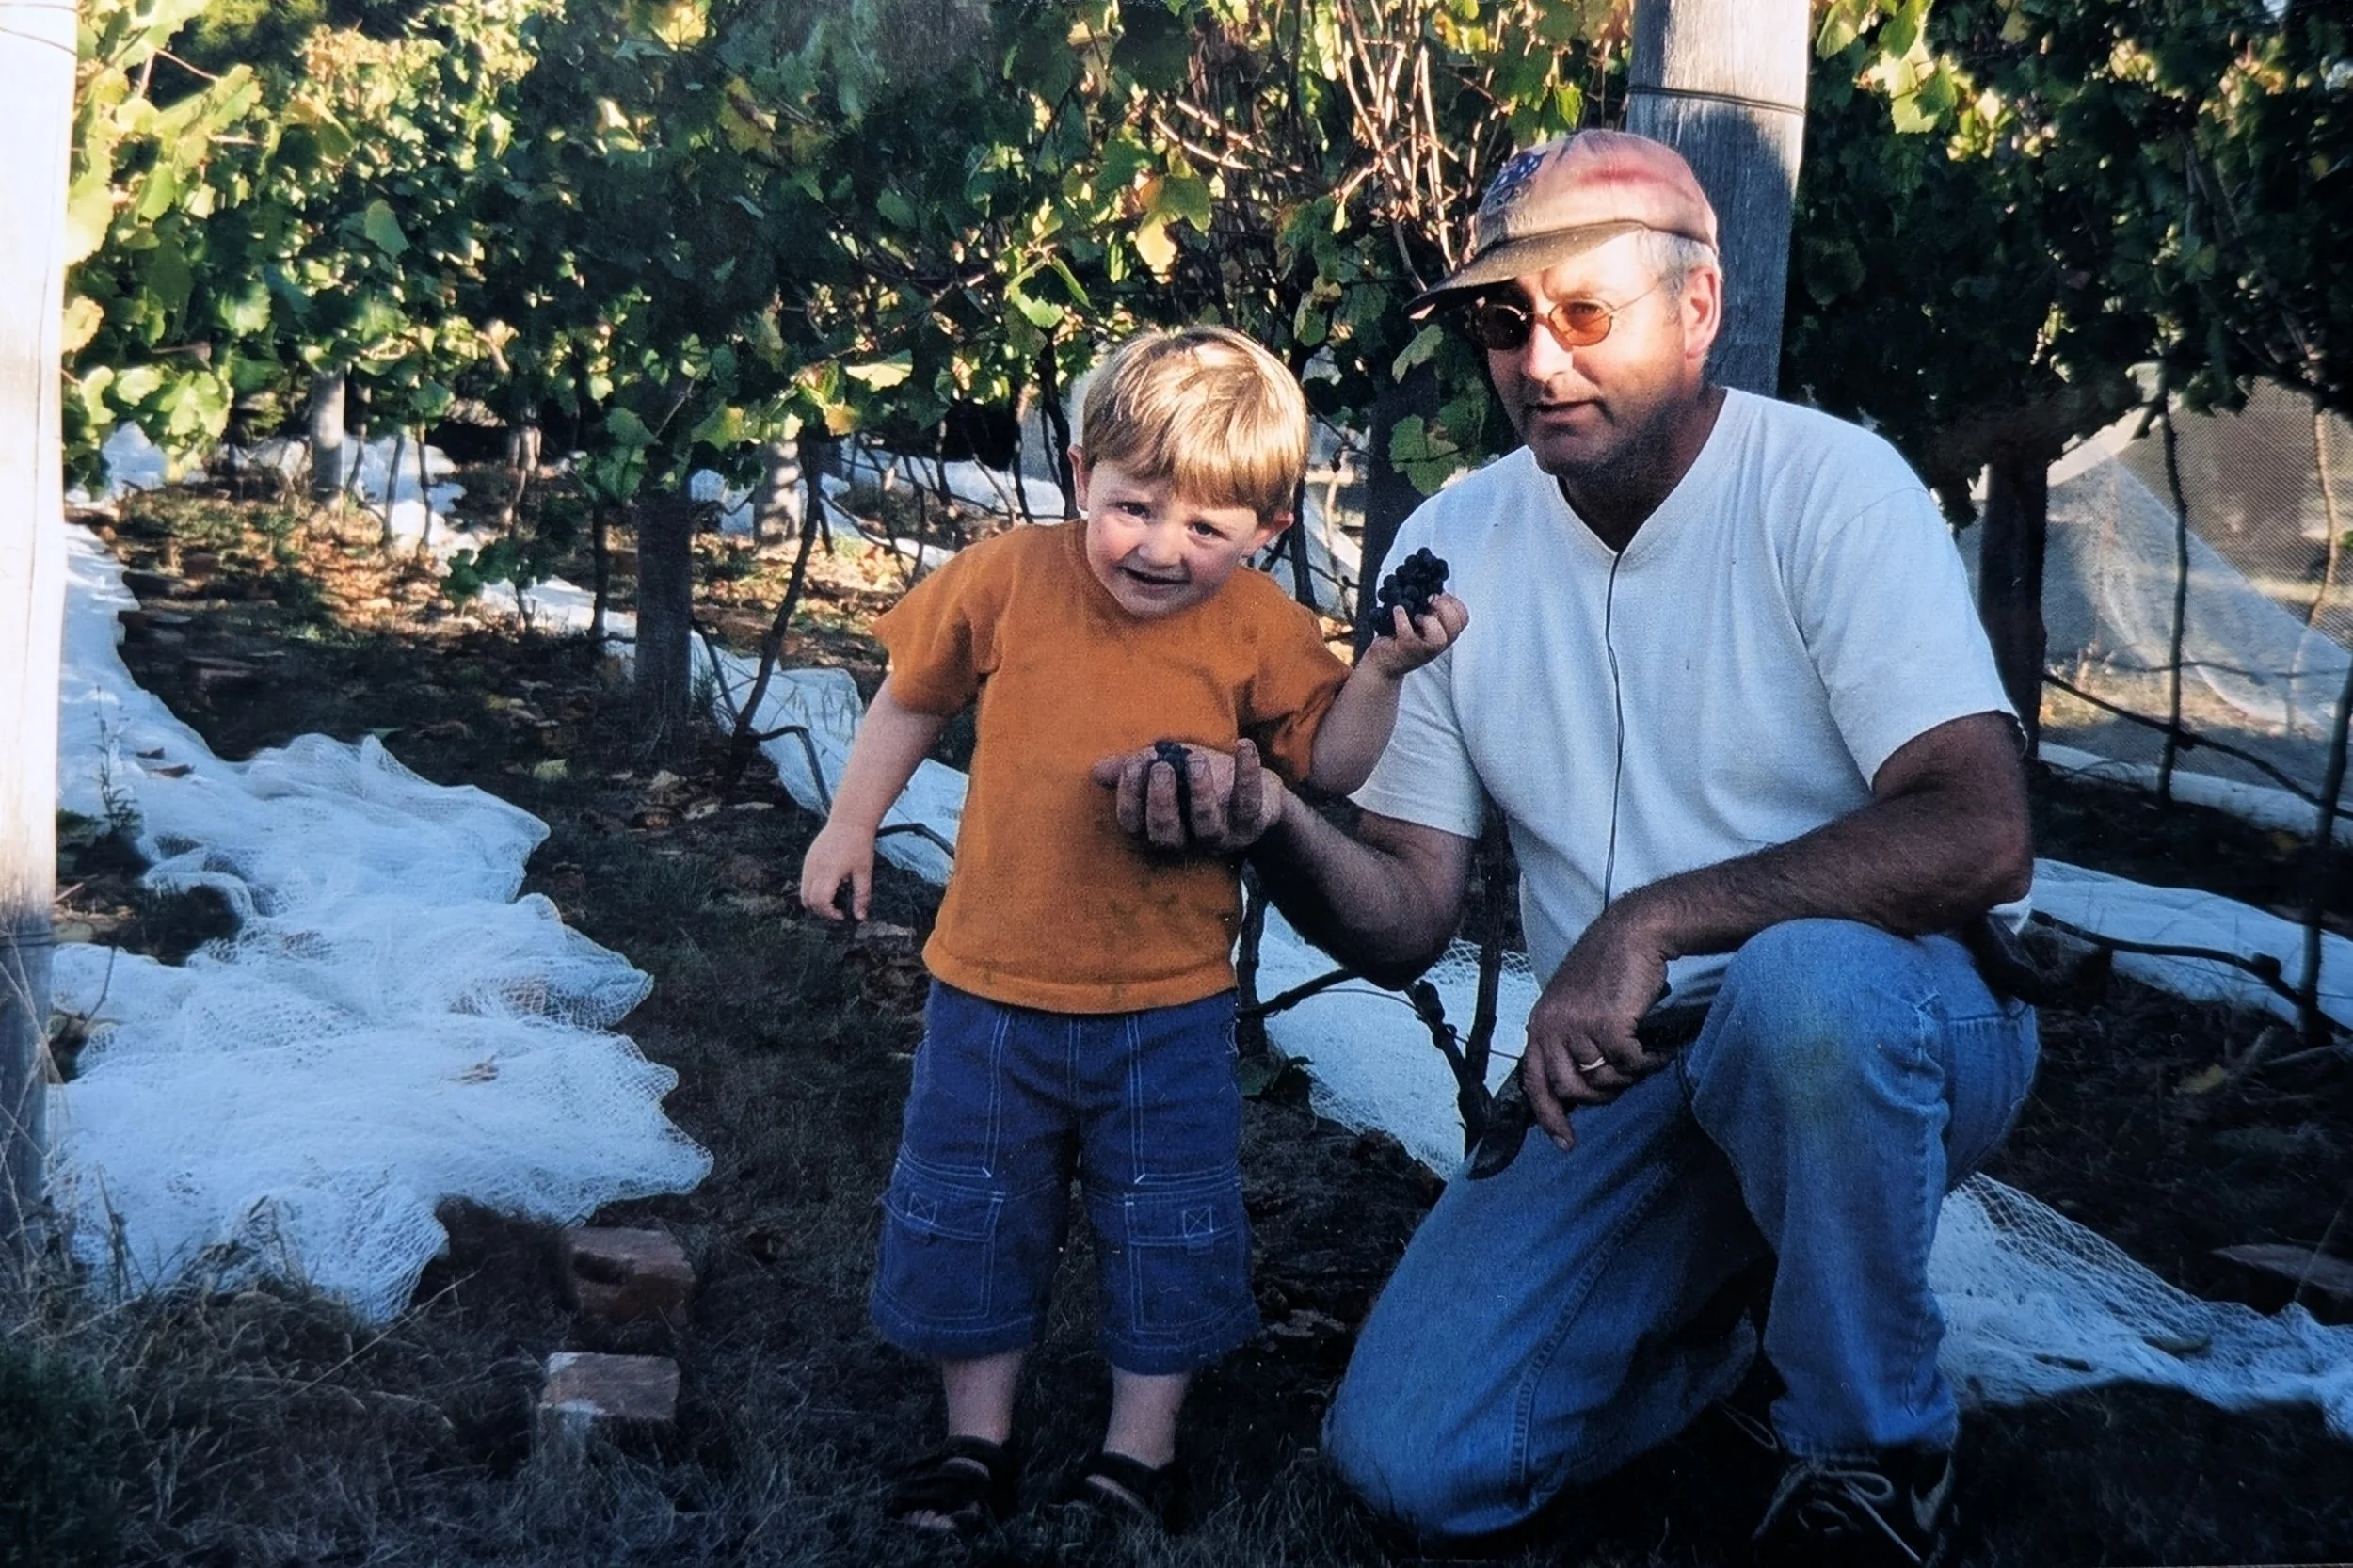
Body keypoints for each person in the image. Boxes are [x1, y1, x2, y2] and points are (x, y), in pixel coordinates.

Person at [1091, 131, 2036, 1567]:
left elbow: (1983, 827)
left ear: (1698, 307)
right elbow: (1409, 912)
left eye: (1585, 312)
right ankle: (1733, 1336)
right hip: (1629, 1062)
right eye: (1502, 321)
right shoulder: (1455, 541)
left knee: (1801, 1002)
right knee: (1409, 1459)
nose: (1540, 361)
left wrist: (1648, 919)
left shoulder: (1830, 489)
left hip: (1890, 1019)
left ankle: (1879, 1451)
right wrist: (1277, 823)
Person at [798, 326, 1468, 1536]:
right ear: (1078, 477)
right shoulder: (1008, 577)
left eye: (1207, 528)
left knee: (1167, 1219)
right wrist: (849, 827)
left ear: (1267, 529)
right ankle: (976, 1443)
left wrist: (1380, 673)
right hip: (990, 989)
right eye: (1133, 508)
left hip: (1166, 1004)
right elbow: (910, 694)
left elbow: (1328, 760)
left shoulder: (1256, 622)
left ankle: (1137, 1453)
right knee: (973, 1208)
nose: (1161, 548)